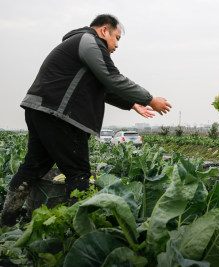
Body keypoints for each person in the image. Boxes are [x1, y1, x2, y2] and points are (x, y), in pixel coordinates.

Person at [1, 14, 172, 227]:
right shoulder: (89, 41)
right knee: (79, 173)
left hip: (40, 109)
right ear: (103, 31)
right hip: (59, 115)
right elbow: (110, 76)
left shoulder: (77, 44)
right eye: (116, 37)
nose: (117, 44)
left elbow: (103, 87)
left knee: (33, 167)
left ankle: (5, 222)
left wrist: (131, 104)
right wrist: (150, 99)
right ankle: (75, 229)